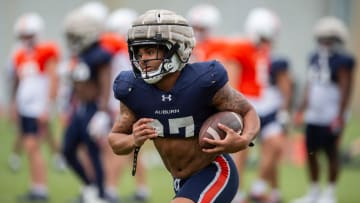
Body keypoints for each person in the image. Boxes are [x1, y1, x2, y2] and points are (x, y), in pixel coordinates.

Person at [108, 9, 260, 203]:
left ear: (178, 49)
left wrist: (244, 139)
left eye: (150, 51)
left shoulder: (203, 82)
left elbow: (248, 111)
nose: (143, 58)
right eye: (139, 52)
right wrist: (133, 140)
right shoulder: (133, 89)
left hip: (214, 170)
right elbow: (115, 140)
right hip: (181, 180)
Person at [224, 8, 293, 203]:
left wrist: (284, 110)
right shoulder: (241, 48)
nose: (267, 42)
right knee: (241, 151)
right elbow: (233, 77)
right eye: (264, 37)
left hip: (268, 107)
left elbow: (282, 83)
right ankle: (236, 193)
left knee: (275, 145)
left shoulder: (268, 54)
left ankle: (260, 187)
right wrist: (233, 106)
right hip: (248, 106)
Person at [292, 16, 356, 203]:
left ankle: (329, 193)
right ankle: (313, 193)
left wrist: (340, 114)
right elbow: (309, 86)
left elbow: (346, 88)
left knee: (331, 153)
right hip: (314, 115)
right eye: (323, 39)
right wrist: (300, 109)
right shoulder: (314, 57)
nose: (325, 43)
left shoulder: (344, 60)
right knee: (311, 153)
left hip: (331, 115)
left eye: (329, 39)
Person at [8, 12, 60, 201]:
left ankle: (41, 189)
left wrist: (48, 105)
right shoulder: (21, 54)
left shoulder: (46, 51)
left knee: (33, 146)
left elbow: (54, 79)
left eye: (28, 35)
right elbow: (21, 83)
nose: (25, 39)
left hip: (38, 108)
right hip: (25, 108)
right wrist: (14, 105)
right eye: (23, 36)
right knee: (31, 148)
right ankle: (36, 187)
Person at [62, 8, 112, 203]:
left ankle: (100, 194)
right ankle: (91, 186)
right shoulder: (81, 54)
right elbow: (77, 84)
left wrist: (102, 113)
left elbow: (105, 84)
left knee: (93, 153)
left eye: (75, 35)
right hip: (79, 109)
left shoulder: (100, 54)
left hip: (93, 109)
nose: (72, 39)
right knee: (67, 150)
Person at [103, 8, 151, 202]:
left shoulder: (121, 50)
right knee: (134, 149)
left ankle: (111, 189)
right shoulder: (133, 51)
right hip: (129, 103)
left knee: (117, 147)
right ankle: (142, 189)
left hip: (122, 105)